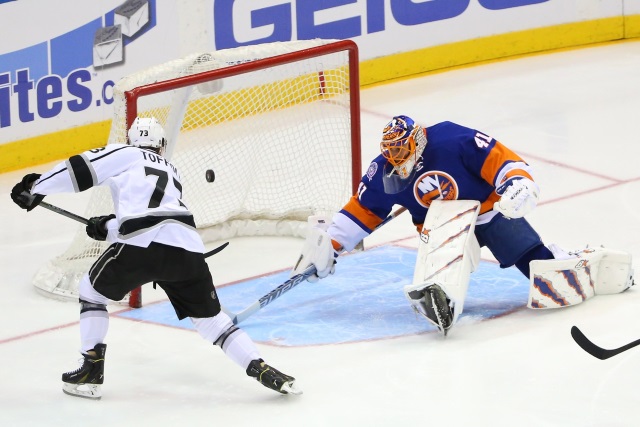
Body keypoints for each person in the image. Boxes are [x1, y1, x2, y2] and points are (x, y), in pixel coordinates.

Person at [10, 117, 300, 399]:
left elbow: (79, 169)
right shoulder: (173, 171)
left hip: (142, 244)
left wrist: (36, 187)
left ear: (130, 141)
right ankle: (259, 367)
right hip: (187, 249)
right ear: (161, 145)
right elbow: (157, 215)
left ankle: (90, 372)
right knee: (212, 321)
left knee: (92, 292)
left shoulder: (126, 153)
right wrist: (106, 227)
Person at [290, 115, 633, 335]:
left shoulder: (452, 139)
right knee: (441, 272)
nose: (398, 162)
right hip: (442, 225)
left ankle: (596, 264)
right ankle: (439, 292)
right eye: (391, 155)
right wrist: (328, 245)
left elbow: (501, 160)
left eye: (403, 154)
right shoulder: (384, 170)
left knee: (546, 276)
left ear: (419, 142)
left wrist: (518, 185)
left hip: (488, 211)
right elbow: (362, 211)